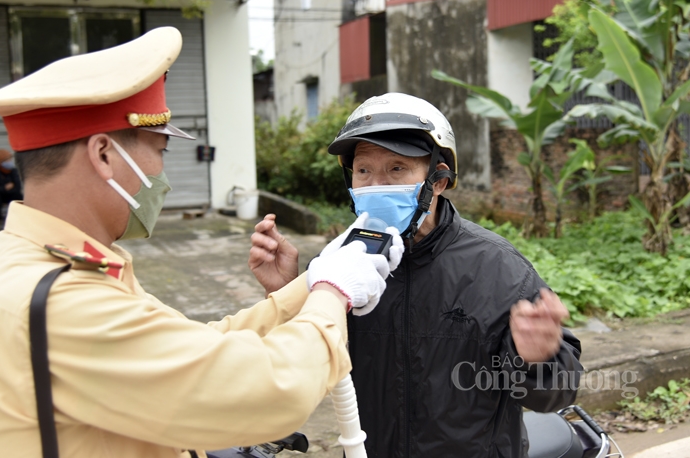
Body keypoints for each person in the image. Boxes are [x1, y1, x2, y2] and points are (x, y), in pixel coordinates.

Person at [0, 27, 404, 458]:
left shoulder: (63, 268)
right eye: (159, 152)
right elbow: (269, 391)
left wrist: (311, 283)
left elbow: (197, 349)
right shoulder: (57, 300)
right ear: (104, 154)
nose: (161, 176)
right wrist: (334, 292)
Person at [249, 93, 583, 457]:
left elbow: (557, 393)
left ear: (438, 180)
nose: (376, 185)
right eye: (364, 170)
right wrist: (289, 294)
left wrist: (538, 358)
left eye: (396, 168)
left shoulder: (498, 268)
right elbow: (304, 366)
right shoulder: (342, 263)